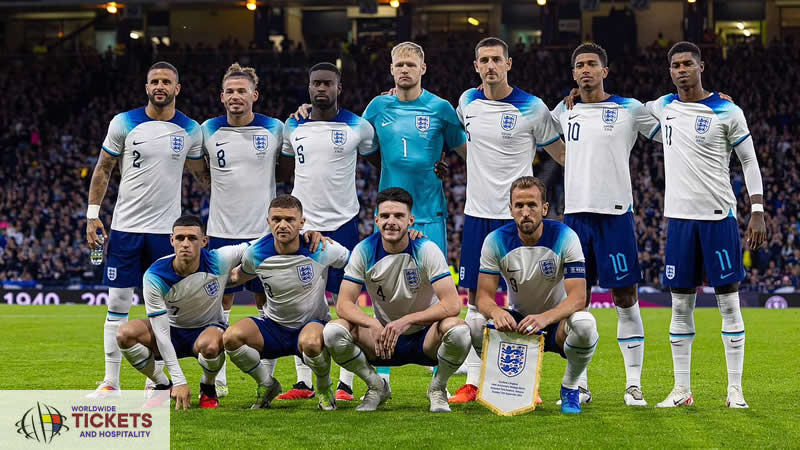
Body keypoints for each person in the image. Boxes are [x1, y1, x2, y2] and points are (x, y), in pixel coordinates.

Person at [294, 42, 463, 400]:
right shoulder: (376, 107)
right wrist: (306, 113)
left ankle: (439, 383)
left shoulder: (441, 109)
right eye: (399, 64)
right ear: (391, 69)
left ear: (423, 68)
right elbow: (356, 141)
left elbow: (464, 150)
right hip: (389, 218)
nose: (404, 70)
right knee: (380, 295)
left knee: (436, 296)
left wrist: (443, 166)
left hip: (430, 214)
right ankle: (380, 377)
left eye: (411, 64)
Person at [645, 41, 767, 408]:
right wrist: (579, 96)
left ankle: (735, 390)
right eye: (675, 65)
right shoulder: (663, 107)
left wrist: (757, 209)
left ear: (702, 66)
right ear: (670, 71)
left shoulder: (728, 111)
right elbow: (621, 107)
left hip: (718, 218)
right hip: (680, 221)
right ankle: (681, 391)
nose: (681, 70)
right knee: (680, 307)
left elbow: (749, 161)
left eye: (687, 63)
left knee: (729, 304)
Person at [450, 37, 566, 404]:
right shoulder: (467, 101)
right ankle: (472, 381)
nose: (490, 66)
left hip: (519, 218)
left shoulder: (532, 107)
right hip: (477, 214)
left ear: (508, 64)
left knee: (527, 300)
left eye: (496, 59)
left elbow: (562, 154)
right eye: (483, 60)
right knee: (474, 302)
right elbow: (456, 137)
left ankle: (533, 383)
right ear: (476, 66)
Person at [86, 61, 208, 397]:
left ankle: (156, 379)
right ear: (146, 87)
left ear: (177, 88)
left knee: (165, 308)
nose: (160, 86)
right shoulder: (123, 122)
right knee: (117, 301)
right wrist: (92, 215)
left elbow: (202, 175)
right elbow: (103, 168)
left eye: (166, 81)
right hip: (126, 227)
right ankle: (111, 382)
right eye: (154, 81)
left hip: (166, 232)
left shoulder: (190, 129)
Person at [551, 43, 661, 406]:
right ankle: (579, 385)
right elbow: (535, 131)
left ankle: (633, 385)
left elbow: (672, 129)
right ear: (573, 74)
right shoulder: (564, 111)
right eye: (579, 65)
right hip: (575, 217)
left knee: (625, 298)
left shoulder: (630, 109)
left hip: (615, 215)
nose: (585, 69)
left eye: (592, 64)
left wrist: (708, 101)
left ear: (604, 71)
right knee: (576, 302)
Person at [277, 62, 378, 400]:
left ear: (339, 87)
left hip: (343, 223)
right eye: (316, 83)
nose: (321, 88)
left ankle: (346, 383)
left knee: (345, 303)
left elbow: (379, 160)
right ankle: (303, 382)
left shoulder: (358, 126)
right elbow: (285, 169)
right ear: (308, 88)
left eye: (327, 83)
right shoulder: (293, 125)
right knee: (300, 303)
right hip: (303, 227)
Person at [323, 188, 471, 412]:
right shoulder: (364, 250)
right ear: (376, 220)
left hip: (426, 337)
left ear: (410, 220)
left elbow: (452, 304)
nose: (391, 222)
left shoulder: (427, 249)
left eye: (399, 216)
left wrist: (407, 320)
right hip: (383, 338)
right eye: (385, 216)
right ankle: (376, 386)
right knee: (333, 332)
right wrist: (372, 323)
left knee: (459, 330)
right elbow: (343, 304)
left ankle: (438, 388)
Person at [469, 176, 596, 414]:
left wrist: (545, 318)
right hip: (517, 324)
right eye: (519, 206)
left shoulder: (566, 236)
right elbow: (483, 298)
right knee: (475, 323)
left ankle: (571, 387)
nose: (525, 212)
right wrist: (496, 312)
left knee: (585, 324)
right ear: (510, 209)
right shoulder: (495, 240)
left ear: (544, 208)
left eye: (532, 205)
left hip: (556, 324)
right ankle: (514, 384)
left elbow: (579, 298)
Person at [201, 62, 288, 398]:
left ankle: (266, 381)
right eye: (230, 91)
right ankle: (217, 381)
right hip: (221, 230)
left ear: (255, 95)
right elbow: (198, 169)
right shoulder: (207, 130)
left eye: (242, 91)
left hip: (262, 234)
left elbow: (290, 163)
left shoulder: (275, 128)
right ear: (222, 97)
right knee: (217, 305)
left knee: (266, 303)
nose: (235, 96)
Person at [223, 195, 350, 410]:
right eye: (276, 219)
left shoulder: (320, 248)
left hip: (311, 326)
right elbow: (238, 277)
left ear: (302, 223)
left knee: (311, 343)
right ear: (268, 222)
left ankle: (323, 388)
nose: (282, 225)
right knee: (230, 338)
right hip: (274, 327)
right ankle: (267, 384)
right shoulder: (256, 253)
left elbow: (355, 263)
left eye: (290, 219)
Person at [116, 215, 249, 410]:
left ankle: (208, 387)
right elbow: (161, 333)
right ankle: (163, 385)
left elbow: (258, 245)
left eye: (192, 238)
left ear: (204, 241)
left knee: (211, 346)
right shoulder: (155, 275)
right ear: (172, 240)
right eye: (180, 238)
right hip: (171, 329)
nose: (185, 244)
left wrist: (300, 236)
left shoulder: (220, 259)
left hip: (206, 329)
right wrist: (179, 381)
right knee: (124, 334)